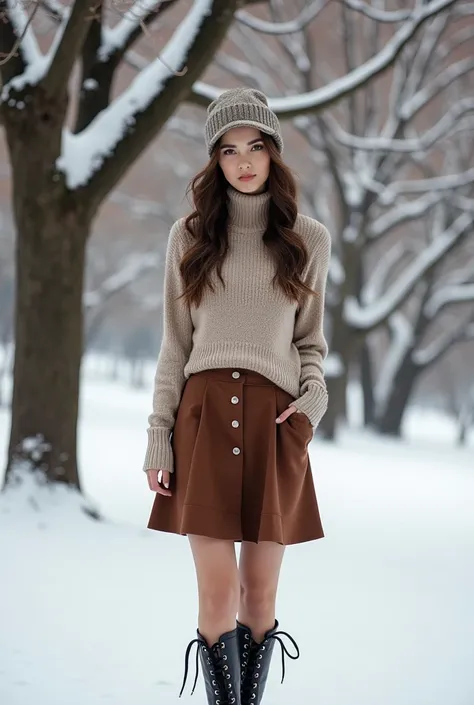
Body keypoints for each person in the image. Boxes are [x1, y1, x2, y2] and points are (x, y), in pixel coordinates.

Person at [143, 87, 331, 705]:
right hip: (201, 418)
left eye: (254, 146)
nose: (243, 161)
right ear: (214, 161)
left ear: (273, 152)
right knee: (217, 596)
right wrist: (158, 437)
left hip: (273, 423)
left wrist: (311, 405)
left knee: (260, 596)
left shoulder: (308, 239)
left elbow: (311, 344)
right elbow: (175, 345)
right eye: (228, 149)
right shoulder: (188, 236)